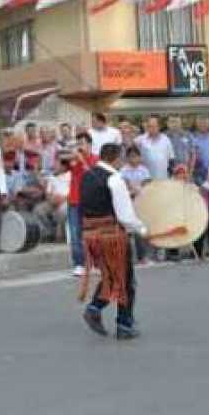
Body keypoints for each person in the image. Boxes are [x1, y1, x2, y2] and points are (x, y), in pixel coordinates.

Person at [79, 143, 149, 340]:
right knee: (125, 280)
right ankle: (123, 324)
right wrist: (142, 229)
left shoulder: (87, 176)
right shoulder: (115, 179)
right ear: (116, 158)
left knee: (111, 276)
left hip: (92, 235)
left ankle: (96, 308)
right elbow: (125, 215)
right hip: (112, 235)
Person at [66, 132, 97, 277]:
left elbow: (92, 175)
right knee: (75, 233)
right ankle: (79, 263)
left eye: (82, 143)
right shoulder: (74, 160)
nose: (80, 147)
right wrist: (75, 157)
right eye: (78, 144)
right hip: (74, 200)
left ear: (90, 145)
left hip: (89, 201)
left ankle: (94, 262)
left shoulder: (95, 159)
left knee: (91, 233)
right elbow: (63, 165)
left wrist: (81, 159)